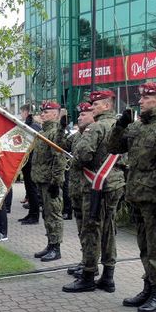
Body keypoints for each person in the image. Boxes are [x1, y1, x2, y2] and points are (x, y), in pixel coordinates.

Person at [108, 82, 156, 312]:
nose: (140, 101)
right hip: (138, 197)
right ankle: (148, 287)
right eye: (141, 97)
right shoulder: (138, 126)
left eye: (146, 98)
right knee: (144, 246)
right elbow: (114, 147)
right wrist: (121, 125)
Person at [63, 90, 125, 293]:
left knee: (91, 230)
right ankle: (108, 276)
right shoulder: (120, 126)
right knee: (109, 231)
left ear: (106, 105)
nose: (92, 106)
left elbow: (82, 155)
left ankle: (89, 275)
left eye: (95, 104)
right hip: (114, 183)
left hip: (96, 186)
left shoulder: (96, 127)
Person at [61, 102, 95, 275]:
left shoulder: (94, 134)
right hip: (77, 188)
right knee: (82, 230)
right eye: (79, 115)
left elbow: (84, 158)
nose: (80, 117)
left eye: (84, 114)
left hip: (89, 188)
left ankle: (91, 265)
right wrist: (62, 127)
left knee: (90, 231)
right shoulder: (76, 136)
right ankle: (84, 261)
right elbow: (62, 145)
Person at [31, 101, 67, 262]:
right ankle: (50, 244)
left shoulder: (54, 133)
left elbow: (59, 159)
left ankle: (56, 247)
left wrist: (56, 182)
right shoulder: (43, 133)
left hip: (50, 181)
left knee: (54, 214)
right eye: (42, 112)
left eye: (47, 112)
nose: (43, 114)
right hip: (42, 179)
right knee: (47, 215)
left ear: (55, 114)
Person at [18, 104, 41, 225]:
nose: (21, 115)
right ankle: (31, 213)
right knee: (29, 189)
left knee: (32, 190)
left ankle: (35, 215)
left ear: (26, 112)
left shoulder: (34, 126)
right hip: (27, 162)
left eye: (21, 112)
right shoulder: (28, 124)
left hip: (32, 162)